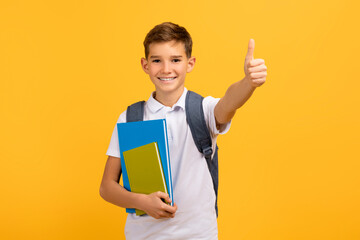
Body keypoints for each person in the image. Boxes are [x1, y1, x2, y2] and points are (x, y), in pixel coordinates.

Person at [100, 22, 267, 239]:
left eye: (175, 60)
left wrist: (248, 83)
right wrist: (141, 202)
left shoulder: (203, 110)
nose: (166, 69)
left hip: (199, 235)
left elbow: (229, 103)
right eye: (157, 60)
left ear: (190, 63)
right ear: (145, 65)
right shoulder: (130, 118)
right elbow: (107, 187)